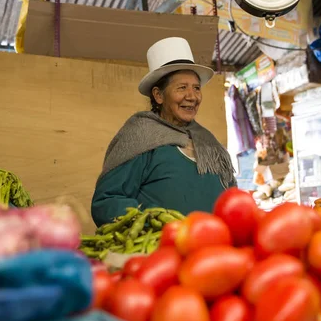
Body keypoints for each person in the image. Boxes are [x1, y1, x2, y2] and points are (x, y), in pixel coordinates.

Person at [91, 37, 235, 226]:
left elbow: (232, 195)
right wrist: (155, 223)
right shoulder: (140, 137)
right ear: (158, 95)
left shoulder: (209, 142)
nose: (192, 96)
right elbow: (106, 202)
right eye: (182, 88)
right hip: (162, 250)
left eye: (196, 88)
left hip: (214, 249)